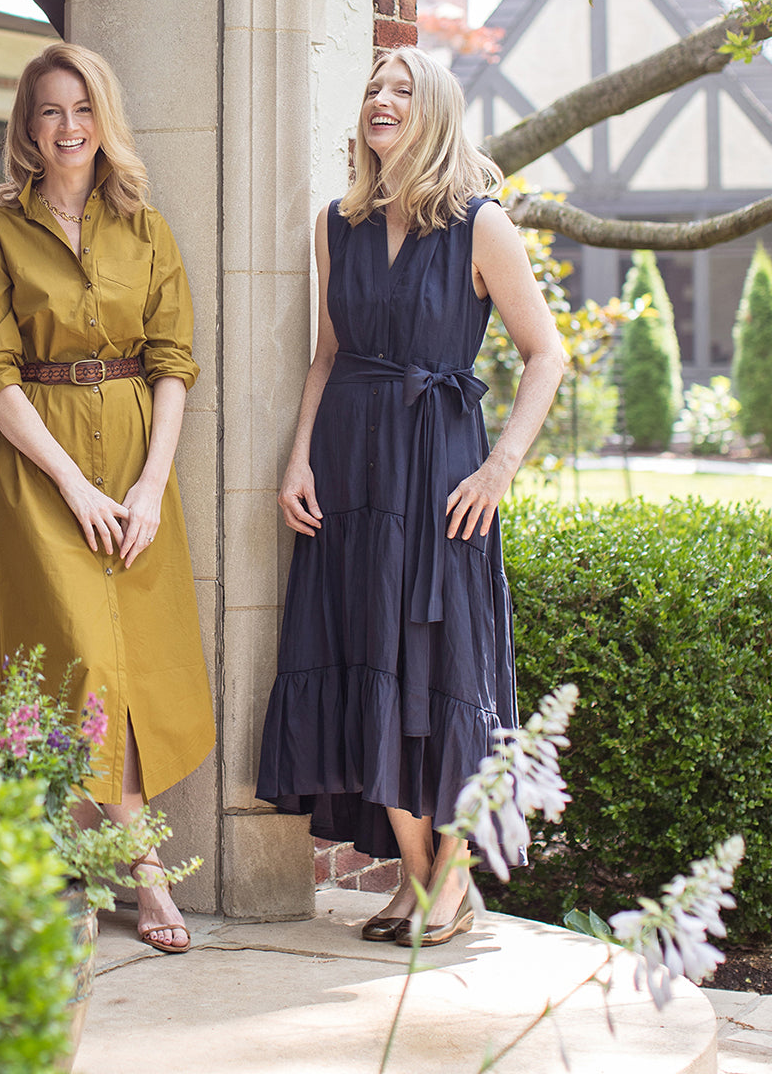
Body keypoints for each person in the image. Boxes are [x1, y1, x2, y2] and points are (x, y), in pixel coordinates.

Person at [255, 46, 564, 947]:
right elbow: (326, 356)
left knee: (445, 668)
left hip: (440, 474)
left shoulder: (480, 224)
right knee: (363, 658)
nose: (380, 100)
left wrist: (500, 465)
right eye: (371, 90)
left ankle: (448, 882)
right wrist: (297, 459)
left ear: (434, 112)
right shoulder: (335, 224)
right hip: (348, 470)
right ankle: (422, 882)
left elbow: (545, 352)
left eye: (401, 89)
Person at [0, 42, 214, 955]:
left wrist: (148, 485)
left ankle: (71, 866)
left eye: (83, 109)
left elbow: (173, 360)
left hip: (139, 460)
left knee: (136, 669)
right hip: (39, 470)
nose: (68, 128)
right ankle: (144, 876)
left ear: (104, 121)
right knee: (77, 666)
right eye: (50, 112)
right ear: (28, 126)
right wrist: (71, 482)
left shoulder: (147, 229)